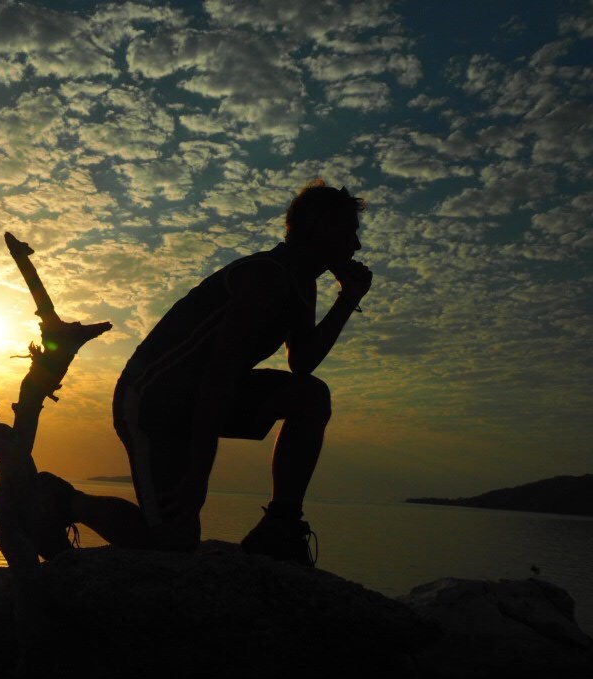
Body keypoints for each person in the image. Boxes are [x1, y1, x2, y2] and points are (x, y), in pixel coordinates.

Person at [38, 180, 372, 566]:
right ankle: (62, 500)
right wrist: (198, 475)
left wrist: (347, 299)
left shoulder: (302, 285)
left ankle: (281, 525)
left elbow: (302, 363)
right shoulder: (266, 277)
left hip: (201, 397)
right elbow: (219, 376)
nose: (356, 246)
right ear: (320, 227)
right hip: (154, 401)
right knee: (172, 545)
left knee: (311, 396)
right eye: (350, 233)